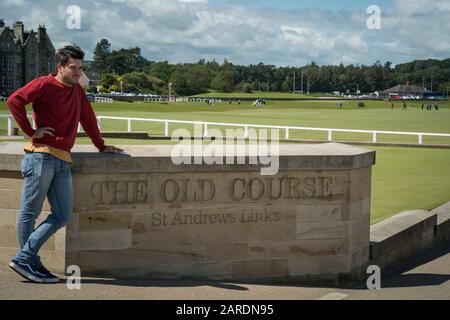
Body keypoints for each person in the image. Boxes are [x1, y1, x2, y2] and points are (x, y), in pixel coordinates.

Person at [6, 44, 124, 283]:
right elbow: (14, 101)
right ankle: (30, 263)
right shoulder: (44, 84)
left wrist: (100, 145)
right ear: (60, 67)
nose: (78, 72)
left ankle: (25, 258)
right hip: (41, 156)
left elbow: (88, 118)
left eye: (81, 68)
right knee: (30, 213)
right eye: (73, 68)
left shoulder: (78, 91)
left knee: (62, 215)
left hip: (62, 160)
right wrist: (30, 130)